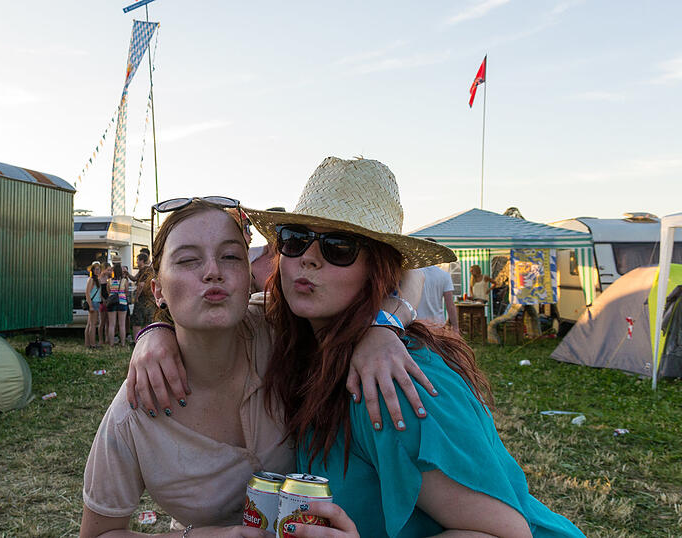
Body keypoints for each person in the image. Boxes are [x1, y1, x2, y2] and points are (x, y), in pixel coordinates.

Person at [242, 156, 582, 537]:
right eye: (295, 239)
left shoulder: (391, 382)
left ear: (378, 271)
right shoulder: (309, 351)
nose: (308, 258)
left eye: (338, 247)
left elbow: (507, 533)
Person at [80, 198, 436, 537]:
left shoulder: (281, 325)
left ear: (248, 274)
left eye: (231, 256)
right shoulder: (134, 412)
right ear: (158, 290)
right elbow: (98, 533)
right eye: (188, 260)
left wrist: (384, 325)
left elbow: (412, 272)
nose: (213, 272)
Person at [417, 262, 458, 332]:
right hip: (437, 323)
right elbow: (450, 305)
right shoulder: (445, 275)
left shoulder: (414, 274)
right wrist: (455, 326)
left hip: (417, 324)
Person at [130, 252, 156, 336]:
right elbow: (134, 278)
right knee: (148, 321)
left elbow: (141, 285)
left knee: (137, 322)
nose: (136, 262)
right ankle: (147, 339)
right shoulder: (151, 270)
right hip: (151, 299)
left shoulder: (144, 270)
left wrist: (136, 297)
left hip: (142, 299)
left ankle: (137, 341)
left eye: (137, 260)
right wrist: (127, 274)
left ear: (142, 261)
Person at [106, 254, 129, 347]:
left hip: (112, 302)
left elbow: (108, 291)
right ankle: (123, 343)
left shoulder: (109, 281)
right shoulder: (124, 280)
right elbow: (126, 291)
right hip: (122, 301)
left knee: (112, 324)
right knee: (122, 324)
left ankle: (111, 344)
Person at [85, 261, 103, 348]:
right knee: (93, 324)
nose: (97, 271)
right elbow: (87, 293)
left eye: (98, 269)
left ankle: (88, 343)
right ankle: (92, 344)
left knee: (89, 324)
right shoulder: (91, 279)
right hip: (93, 303)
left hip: (96, 302)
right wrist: (90, 305)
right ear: (92, 270)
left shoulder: (97, 280)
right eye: (96, 269)